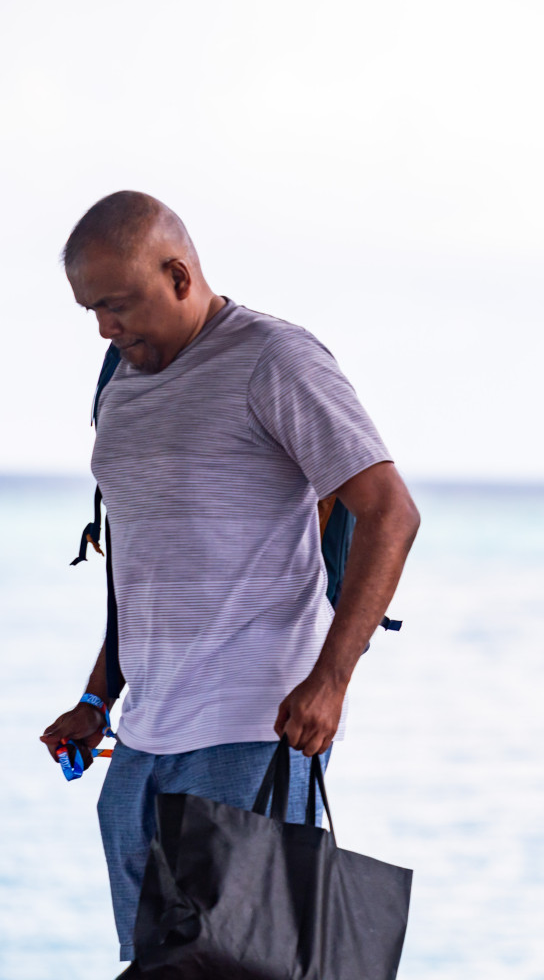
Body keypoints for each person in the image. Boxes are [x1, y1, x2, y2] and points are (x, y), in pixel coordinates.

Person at [36, 191, 420, 965]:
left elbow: (389, 513)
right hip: (142, 740)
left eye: (118, 305)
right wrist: (95, 695)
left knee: (237, 967)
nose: (107, 329)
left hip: (252, 732)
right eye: (92, 312)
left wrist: (331, 680)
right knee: (160, 964)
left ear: (179, 274)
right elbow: (145, 562)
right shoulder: (119, 380)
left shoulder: (274, 358)